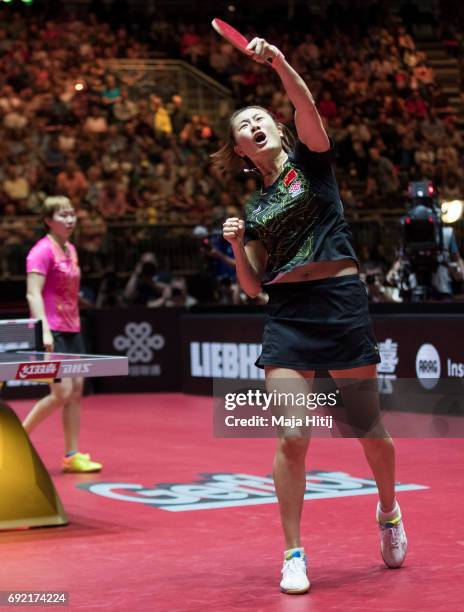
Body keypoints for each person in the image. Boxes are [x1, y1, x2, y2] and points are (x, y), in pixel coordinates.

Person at [212, 36, 407, 595]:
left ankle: (389, 511)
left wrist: (276, 62)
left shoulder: (313, 166)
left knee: (366, 429)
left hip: (340, 304)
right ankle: (293, 552)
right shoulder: (254, 210)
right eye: (243, 126)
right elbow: (253, 286)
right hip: (288, 315)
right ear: (243, 153)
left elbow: (307, 107)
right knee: (292, 436)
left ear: (276, 129)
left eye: (260, 117)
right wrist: (234, 248)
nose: (254, 125)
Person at [23, 196, 102, 473]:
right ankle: (18, 437)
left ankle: (71, 455)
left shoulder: (70, 249)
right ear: (48, 220)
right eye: (62, 215)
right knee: (61, 392)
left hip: (72, 328)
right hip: (51, 330)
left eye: (72, 214)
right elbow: (33, 292)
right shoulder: (40, 252)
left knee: (76, 392)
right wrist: (42, 328)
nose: (70, 220)